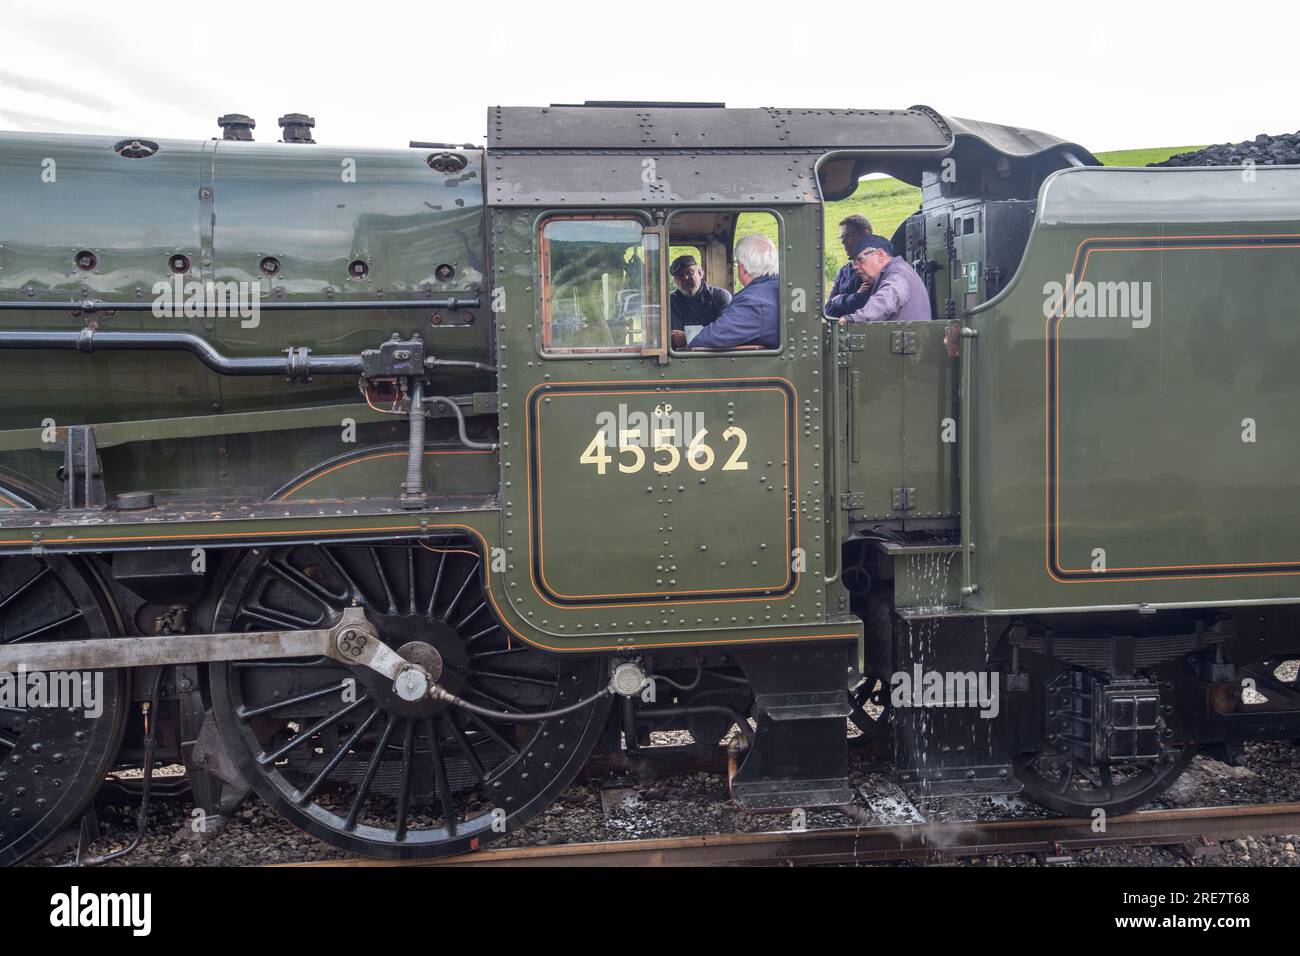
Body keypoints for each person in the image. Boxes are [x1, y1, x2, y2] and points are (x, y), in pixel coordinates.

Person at [679, 234, 780, 350]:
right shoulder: (778, 286)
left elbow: (714, 337)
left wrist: (685, 338)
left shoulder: (753, 301)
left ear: (743, 269)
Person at [838, 235, 931, 323]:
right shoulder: (898, 270)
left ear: (880, 255)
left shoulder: (899, 272)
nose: (855, 267)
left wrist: (855, 318)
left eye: (860, 259)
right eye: (854, 262)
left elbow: (886, 299)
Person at [826, 215, 889, 318]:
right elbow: (828, 310)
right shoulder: (844, 271)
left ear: (865, 234)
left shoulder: (879, 266)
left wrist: (838, 300)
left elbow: (863, 303)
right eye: (841, 237)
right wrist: (853, 296)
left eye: (847, 236)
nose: (843, 242)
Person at [668, 254, 732, 337]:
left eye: (690, 272)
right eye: (680, 276)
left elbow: (725, 331)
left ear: (700, 273)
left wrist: (687, 337)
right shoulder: (668, 302)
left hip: (713, 349)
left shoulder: (720, 297)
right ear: (675, 282)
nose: (686, 278)